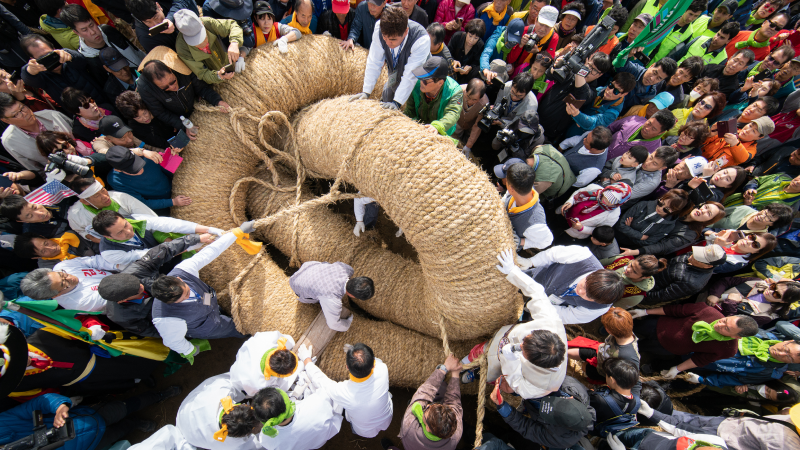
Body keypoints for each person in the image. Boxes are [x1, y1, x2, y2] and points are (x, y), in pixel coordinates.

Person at [462, 249, 567, 397]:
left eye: (523, 349)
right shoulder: (550, 322)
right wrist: (513, 271)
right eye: (526, 339)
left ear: (532, 361)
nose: (521, 344)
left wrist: (511, 364)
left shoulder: (542, 385)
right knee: (484, 348)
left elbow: (515, 386)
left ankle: (478, 374)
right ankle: (465, 363)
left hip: (504, 370)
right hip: (502, 339)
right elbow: (537, 293)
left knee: (490, 374)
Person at [150, 221, 252, 361]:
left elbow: (210, 252)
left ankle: (221, 312)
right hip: (207, 324)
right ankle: (247, 334)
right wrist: (189, 349)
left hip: (208, 301)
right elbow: (172, 341)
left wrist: (237, 232)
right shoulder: (165, 320)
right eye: (181, 300)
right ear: (167, 302)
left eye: (186, 292)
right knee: (234, 327)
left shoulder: (184, 269)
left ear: (179, 278)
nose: (187, 297)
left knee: (218, 308)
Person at [0, 378, 181, 450]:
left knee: (125, 407)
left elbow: (40, 402)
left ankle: (159, 396)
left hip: (85, 419)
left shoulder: (2, 424)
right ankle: (135, 424)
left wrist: (60, 406)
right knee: (119, 432)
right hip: (92, 445)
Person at [98, 235, 203, 337]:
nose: (141, 287)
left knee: (208, 299)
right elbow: (150, 330)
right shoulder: (120, 316)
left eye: (137, 283)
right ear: (121, 301)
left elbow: (162, 250)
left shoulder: (136, 271)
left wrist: (195, 239)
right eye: (136, 290)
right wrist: (183, 332)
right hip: (179, 316)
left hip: (186, 291)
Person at [630, 299, 759, 378]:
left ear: (736, 336)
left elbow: (701, 359)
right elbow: (676, 310)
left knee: (636, 347)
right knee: (630, 328)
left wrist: (677, 369)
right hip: (657, 325)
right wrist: (645, 312)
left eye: (726, 329)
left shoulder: (729, 349)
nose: (720, 324)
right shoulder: (709, 312)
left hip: (665, 347)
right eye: (725, 321)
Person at [634, 394, 800, 450]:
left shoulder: (788, 445)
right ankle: (652, 414)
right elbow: (783, 413)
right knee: (683, 420)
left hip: (723, 441)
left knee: (674, 436)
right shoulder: (793, 418)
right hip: (726, 423)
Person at [516, 245, 626, 324]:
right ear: (591, 275)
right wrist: (530, 262)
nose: (580, 292)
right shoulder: (583, 256)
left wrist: (538, 305)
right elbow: (553, 254)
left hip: (550, 306)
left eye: (589, 296)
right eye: (584, 285)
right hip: (538, 276)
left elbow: (569, 315)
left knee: (528, 320)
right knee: (510, 283)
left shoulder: (599, 308)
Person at [303, 343, 393, 438]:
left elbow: (321, 381)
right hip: (387, 419)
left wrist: (307, 360)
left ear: (347, 367)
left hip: (366, 431)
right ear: (373, 366)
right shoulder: (382, 369)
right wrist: (355, 353)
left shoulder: (344, 392)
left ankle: (354, 431)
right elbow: (375, 360)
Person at [349, 5, 430, 110]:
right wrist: (366, 91)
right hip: (394, 74)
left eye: (393, 39)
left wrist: (397, 103)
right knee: (387, 98)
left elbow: (410, 75)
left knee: (415, 110)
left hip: (420, 81)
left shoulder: (421, 39)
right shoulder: (379, 27)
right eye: (384, 37)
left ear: (405, 31)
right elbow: (374, 61)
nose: (387, 43)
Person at [485, 375, 594, 449]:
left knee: (511, 436)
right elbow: (538, 374)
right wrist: (516, 390)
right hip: (532, 394)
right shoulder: (569, 385)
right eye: (554, 403)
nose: (544, 406)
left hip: (532, 408)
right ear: (570, 398)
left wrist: (502, 406)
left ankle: (489, 427)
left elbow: (527, 427)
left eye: (549, 413)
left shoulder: (561, 439)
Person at [138, 59, 230, 140]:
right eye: (165, 87)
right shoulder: (145, 88)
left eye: (172, 81)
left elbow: (201, 88)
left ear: (170, 70)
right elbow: (160, 112)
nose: (172, 87)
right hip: (178, 116)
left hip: (194, 103)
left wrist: (217, 101)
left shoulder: (181, 66)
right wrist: (182, 126)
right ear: (154, 84)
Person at [91, 209, 218, 268]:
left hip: (170, 248)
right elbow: (150, 255)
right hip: (155, 267)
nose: (128, 231)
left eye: (126, 225)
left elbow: (168, 224)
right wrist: (194, 241)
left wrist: (207, 229)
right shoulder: (110, 253)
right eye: (120, 233)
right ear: (107, 236)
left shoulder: (135, 219)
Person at [19, 248, 125, 312]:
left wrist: (122, 265)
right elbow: (120, 291)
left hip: (123, 272)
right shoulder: (79, 303)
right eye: (64, 283)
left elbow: (95, 261)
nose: (70, 278)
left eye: (62, 274)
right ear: (56, 295)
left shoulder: (63, 265)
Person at [19, 34, 110, 108]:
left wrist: (70, 56)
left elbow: (81, 60)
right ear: (33, 59)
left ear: (54, 48)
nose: (49, 59)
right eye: (42, 58)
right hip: (83, 116)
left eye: (49, 54)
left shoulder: (67, 57)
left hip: (103, 103)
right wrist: (29, 71)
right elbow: (28, 78)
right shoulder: (40, 75)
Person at [539, 52, 612, 143]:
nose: (589, 70)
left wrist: (581, 72)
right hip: (538, 115)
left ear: (600, 75)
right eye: (589, 65)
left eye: (594, 70)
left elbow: (582, 94)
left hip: (550, 131)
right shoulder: (571, 71)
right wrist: (557, 65)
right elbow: (550, 74)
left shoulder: (592, 91)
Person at [175, 373, 260, 449]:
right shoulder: (236, 444)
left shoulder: (219, 390)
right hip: (188, 433)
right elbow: (259, 443)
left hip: (183, 414)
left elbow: (236, 379)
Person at [686, 334, 800, 388]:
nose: (780, 353)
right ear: (788, 341)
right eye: (786, 349)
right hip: (692, 341)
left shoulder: (768, 372)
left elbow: (734, 379)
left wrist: (702, 380)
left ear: (793, 363)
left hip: (694, 362)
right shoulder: (762, 335)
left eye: (789, 357)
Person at [289, 260, 374, 332]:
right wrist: (348, 323)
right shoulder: (332, 299)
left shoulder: (347, 269)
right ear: (352, 296)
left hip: (308, 267)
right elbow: (333, 325)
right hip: (295, 284)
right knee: (318, 298)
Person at [67, 177, 157, 243]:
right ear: (85, 201)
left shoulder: (123, 198)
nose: (105, 196)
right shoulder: (75, 215)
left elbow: (152, 220)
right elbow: (80, 230)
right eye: (97, 195)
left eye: (103, 190)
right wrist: (95, 239)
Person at [0, 92, 73, 173]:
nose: (25, 113)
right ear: (5, 120)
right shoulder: (10, 141)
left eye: (22, 107)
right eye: (16, 114)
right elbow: (37, 171)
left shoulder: (52, 115)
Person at [59, 4, 146, 72]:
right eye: (84, 30)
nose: (93, 32)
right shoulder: (89, 60)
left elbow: (135, 50)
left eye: (91, 25)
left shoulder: (108, 30)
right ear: (77, 33)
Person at [253, 386, 344, 450]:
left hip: (309, 446)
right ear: (287, 399)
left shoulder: (266, 438)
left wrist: (294, 398)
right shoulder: (317, 403)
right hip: (322, 438)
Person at [480, 6, 558, 79]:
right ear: (536, 20)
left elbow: (548, 62)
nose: (543, 29)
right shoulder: (525, 31)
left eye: (547, 26)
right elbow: (510, 59)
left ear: (552, 27)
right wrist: (520, 45)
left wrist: (537, 53)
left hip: (532, 75)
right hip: (515, 71)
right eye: (541, 24)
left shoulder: (553, 37)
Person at [105, 145, 186, 215]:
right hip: (161, 207)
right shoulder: (115, 180)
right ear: (118, 170)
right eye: (133, 170)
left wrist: (173, 155)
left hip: (177, 189)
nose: (141, 171)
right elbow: (141, 203)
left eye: (139, 164)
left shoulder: (148, 156)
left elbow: (166, 168)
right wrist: (173, 202)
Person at [174, 8, 246, 85]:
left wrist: (234, 42)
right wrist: (218, 75)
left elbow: (232, 26)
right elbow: (202, 73)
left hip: (229, 62)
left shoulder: (208, 22)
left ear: (202, 24)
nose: (203, 44)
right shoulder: (182, 48)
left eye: (203, 37)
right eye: (196, 42)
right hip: (216, 82)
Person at [229, 331, 308, 399]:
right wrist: (303, 363)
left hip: (238, 364)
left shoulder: (266, 339)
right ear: (279, 375)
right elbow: (282, 387)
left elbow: (288, 340)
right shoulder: (261, 385)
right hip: (240, 387)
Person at [641, 244, 728, 306]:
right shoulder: (692, 257)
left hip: (644, 291)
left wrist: (637, 296)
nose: (693, 255)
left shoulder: (692, 283)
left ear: (708, 265)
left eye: (698, 257)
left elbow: (659, 296)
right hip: (645, 275)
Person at [495, 160, 552, 250]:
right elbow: (505, 197)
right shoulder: (522, 187)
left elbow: (547, 241)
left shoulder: (535, 223)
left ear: (510, 188)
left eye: (506, 181)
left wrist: (522, 242)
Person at [563, 72, 636, 139]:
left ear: (624, 94)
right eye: (611, 85)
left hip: (574, 137)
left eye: (616, 91)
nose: (609, 91)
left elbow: (594, 123)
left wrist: (578, 115)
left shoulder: (613, 113)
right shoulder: (600, 90)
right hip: (565, 123)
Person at [705, 276, 800, 326]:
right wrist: (715, 294)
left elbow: (736, 325)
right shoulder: (758, 282)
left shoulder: (766, 316)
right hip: (703, 303)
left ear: (784, 302)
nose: (770, 291)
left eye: (777, 294)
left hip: (712, 321)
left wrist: (731, 302)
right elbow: (726, 281)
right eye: (774, 286)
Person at [404, 56, 463, 136]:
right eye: (421, 77)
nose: (421, 82)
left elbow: (453, 113)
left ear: (440, 83)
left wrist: (437, 126)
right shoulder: (416, 85)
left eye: (425, 81)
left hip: (442, 131)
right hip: (419, 127)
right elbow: (410, 110)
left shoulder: (454, 91)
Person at [615, 189, 691, 249]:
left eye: (666, 209)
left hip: (626, 247)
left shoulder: (669, 226)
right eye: (661, 203)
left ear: (674, 211)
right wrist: (640, 236)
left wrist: (628, 229)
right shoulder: (643, 205)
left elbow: (648, 243)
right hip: (614, 233)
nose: (660, 208)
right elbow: (620, 224)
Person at [558, 181, 632, 241]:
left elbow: (600, 230)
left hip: (573, 230)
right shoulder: (594, 188)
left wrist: (582, 228)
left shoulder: (614, 214)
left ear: (620, 202)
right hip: (563, 214)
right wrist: (570, 201)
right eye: (606, 196)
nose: (605, 201)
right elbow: (578, 192)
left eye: (611, 201)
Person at [588, 358, 640, 434]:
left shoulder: (600, 399)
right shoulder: (637, 401)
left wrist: (590, 393)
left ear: (612, 380)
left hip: (594, 428)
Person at [126, 0, 201, 52]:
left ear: (158, 6)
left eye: (156, 17)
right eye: (148, 22)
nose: (156, 24)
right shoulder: (145, 37)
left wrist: (171, 17)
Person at [647, 0, 708, 65]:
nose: (691, 18)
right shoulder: (668, 16)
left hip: (654, 66)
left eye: (696, 16)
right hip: (642, 53)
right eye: (690, 14)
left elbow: (674, 55)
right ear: (685, 9)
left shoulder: (689, 33)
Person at [702, 116, 775, 169]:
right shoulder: (732, 129)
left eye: (753, 131)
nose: (747, 130)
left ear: (759, 137)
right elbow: (703, 141)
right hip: (698, 156)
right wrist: (711, 133)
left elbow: (743, 158)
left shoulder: (751, 150)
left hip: (708, 169)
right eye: (750, 125)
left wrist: (735, 143)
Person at [606, 110, 677, 161]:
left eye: (653, 129)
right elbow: (610, 129)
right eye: (649, 123)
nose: (647, 128)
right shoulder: (634, 120)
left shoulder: (653, 151)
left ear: (661, 132)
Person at [0, 193, 73, 239]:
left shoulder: (54, 195)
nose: (40, 214)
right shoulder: (35, 235)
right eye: (30, 216)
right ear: (22, 221)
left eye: (34, 207)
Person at [13, 230, 93, 269]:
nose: (51, 248)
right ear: (36, 257)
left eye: (46, 243)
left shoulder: (68, 235)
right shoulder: (49, 267)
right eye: (44, 251)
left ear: (43, 237)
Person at [725, 172, 800, 210]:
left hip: (736, 214)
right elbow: (757, 180)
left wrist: (748, 206)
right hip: (728, 199)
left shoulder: (792, 205)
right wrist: (750, 188)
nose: (798, 182)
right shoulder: (781, 177)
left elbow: (767, 218)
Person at [455, 78, 488, 155]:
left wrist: (468, 145)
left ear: (480, 98)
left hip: (471, 126)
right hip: (457, 121)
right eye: (468, 97)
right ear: (466, 90)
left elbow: (477, 126)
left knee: (466, 143)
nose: (470, 101)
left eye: (474, 100)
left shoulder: (484, 104)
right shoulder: (457, 91)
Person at [711, 202, 793, 233]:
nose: (761, 216)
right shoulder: (744, 209)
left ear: (773, 224)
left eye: (768, 218)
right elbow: (715, 213)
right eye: (765, 212)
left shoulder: (760, 236)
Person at [447, 19, 484, 83]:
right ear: (466, 32)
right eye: (470, 36)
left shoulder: (480, 45)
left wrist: (470, 67)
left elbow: (477, 62)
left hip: (466, 77)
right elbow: (447, 53)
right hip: (450, 71)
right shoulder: (457, 37)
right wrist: (453, 61)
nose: (471, 40)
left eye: (476, 38)